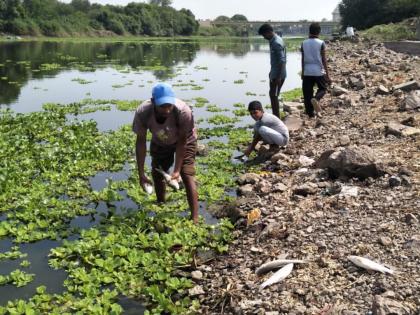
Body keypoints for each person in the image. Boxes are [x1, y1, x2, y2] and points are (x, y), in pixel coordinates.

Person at [132, 83, 199, 223]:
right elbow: (140, 142)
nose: (167, 110)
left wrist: (177, 170)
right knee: (157, 172)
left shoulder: (183, 111)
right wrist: (141, 173)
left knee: (186, 174)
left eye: (169, 105)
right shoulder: (143, 112)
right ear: (153, 101)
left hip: (185, 139)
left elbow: (182, 142)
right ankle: (161, 204)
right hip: (161, 139)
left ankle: (195, 218)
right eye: (162, 106)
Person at [301, 22, 331, 118]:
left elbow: (303, 59)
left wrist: (302, 71)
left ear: (309, 31)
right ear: (319, 32)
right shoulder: (321, 43)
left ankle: (310, 114)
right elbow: (323, 60)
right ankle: (316, 99)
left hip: (307, 71)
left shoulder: (303, 43)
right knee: (323, 88)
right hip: (318, 70)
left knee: (307, 93)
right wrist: (327, 74)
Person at [258, 23, 287, 119]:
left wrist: (278, 77)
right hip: (275, 73)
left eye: (264, 35)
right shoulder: (274, 40)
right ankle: (276, 117)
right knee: (273, 95)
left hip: (278, 75)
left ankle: (276, 118)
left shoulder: (276, 42)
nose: (264, 37)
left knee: (273, 95)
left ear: (269, 32)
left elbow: (282, 61)